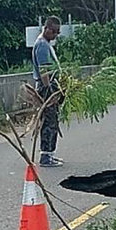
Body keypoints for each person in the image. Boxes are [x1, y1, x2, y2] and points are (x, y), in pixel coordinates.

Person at [32, 16, 64, 168]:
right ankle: (46, 156)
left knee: (53, 120)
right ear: (47, 29)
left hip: (50, 86)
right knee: (49, 121)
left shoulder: (45, 43)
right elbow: (44, 71)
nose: (56, 36)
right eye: (55, 32)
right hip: (46, 88)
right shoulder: (42, 45)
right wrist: (50, 90)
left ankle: (50, 154)